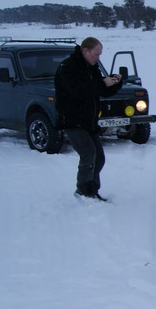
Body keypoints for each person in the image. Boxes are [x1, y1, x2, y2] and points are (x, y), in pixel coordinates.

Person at [54, 37, 122, 201]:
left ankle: (92, 191)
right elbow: (78, 92)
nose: (98, 58)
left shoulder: (91, 67)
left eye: (99, 55)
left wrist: (115, 83)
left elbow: (101, 91)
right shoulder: (68, 68)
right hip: (72, 120)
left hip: (89, 122)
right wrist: (102, 84)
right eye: (96, 54)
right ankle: (82, 192)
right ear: (85, 51)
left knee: (99, 158)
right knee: (88, 154)